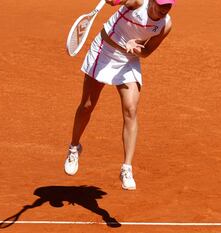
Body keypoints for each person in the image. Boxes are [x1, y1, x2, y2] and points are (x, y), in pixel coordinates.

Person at [64, 0, 175, 190]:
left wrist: (135, 47)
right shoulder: (137, 2)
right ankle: (74, 147)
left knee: (131, 109)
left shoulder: (166, 25)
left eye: (169, 5)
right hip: (104, 52)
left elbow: (147, 51)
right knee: (88, 105)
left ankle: (126, 168)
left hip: (128, 59)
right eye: (161, 4)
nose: (164, 9)